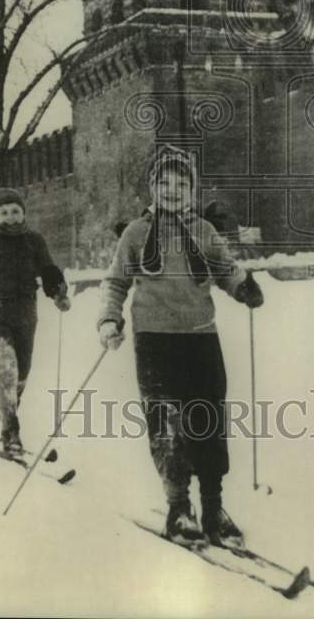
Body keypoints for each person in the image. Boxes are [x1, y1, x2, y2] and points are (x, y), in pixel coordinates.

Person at [97, 145, 264, 548]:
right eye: (164, 183)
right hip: (154, 340)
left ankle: (213, 507)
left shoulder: (204, 231)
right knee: (167, 427)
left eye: (181, 183)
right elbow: (117, 281)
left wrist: (243, 286)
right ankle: (179, 508)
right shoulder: (137, 234)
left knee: (207, 422)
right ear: (153, 187)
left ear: (192, 189)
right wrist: (108, 319)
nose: (172, 190)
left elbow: (224, 268)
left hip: (201, 337)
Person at [0, 187, 70, 455]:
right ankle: (11, 431)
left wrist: (58, 293)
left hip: (26, 313)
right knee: (7, 367)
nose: (11, 217)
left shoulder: (34, 240)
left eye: (16, 211)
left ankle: (6, 412)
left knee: (22, 373)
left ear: (24, 213)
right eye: (4, 212)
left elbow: (48, 270)